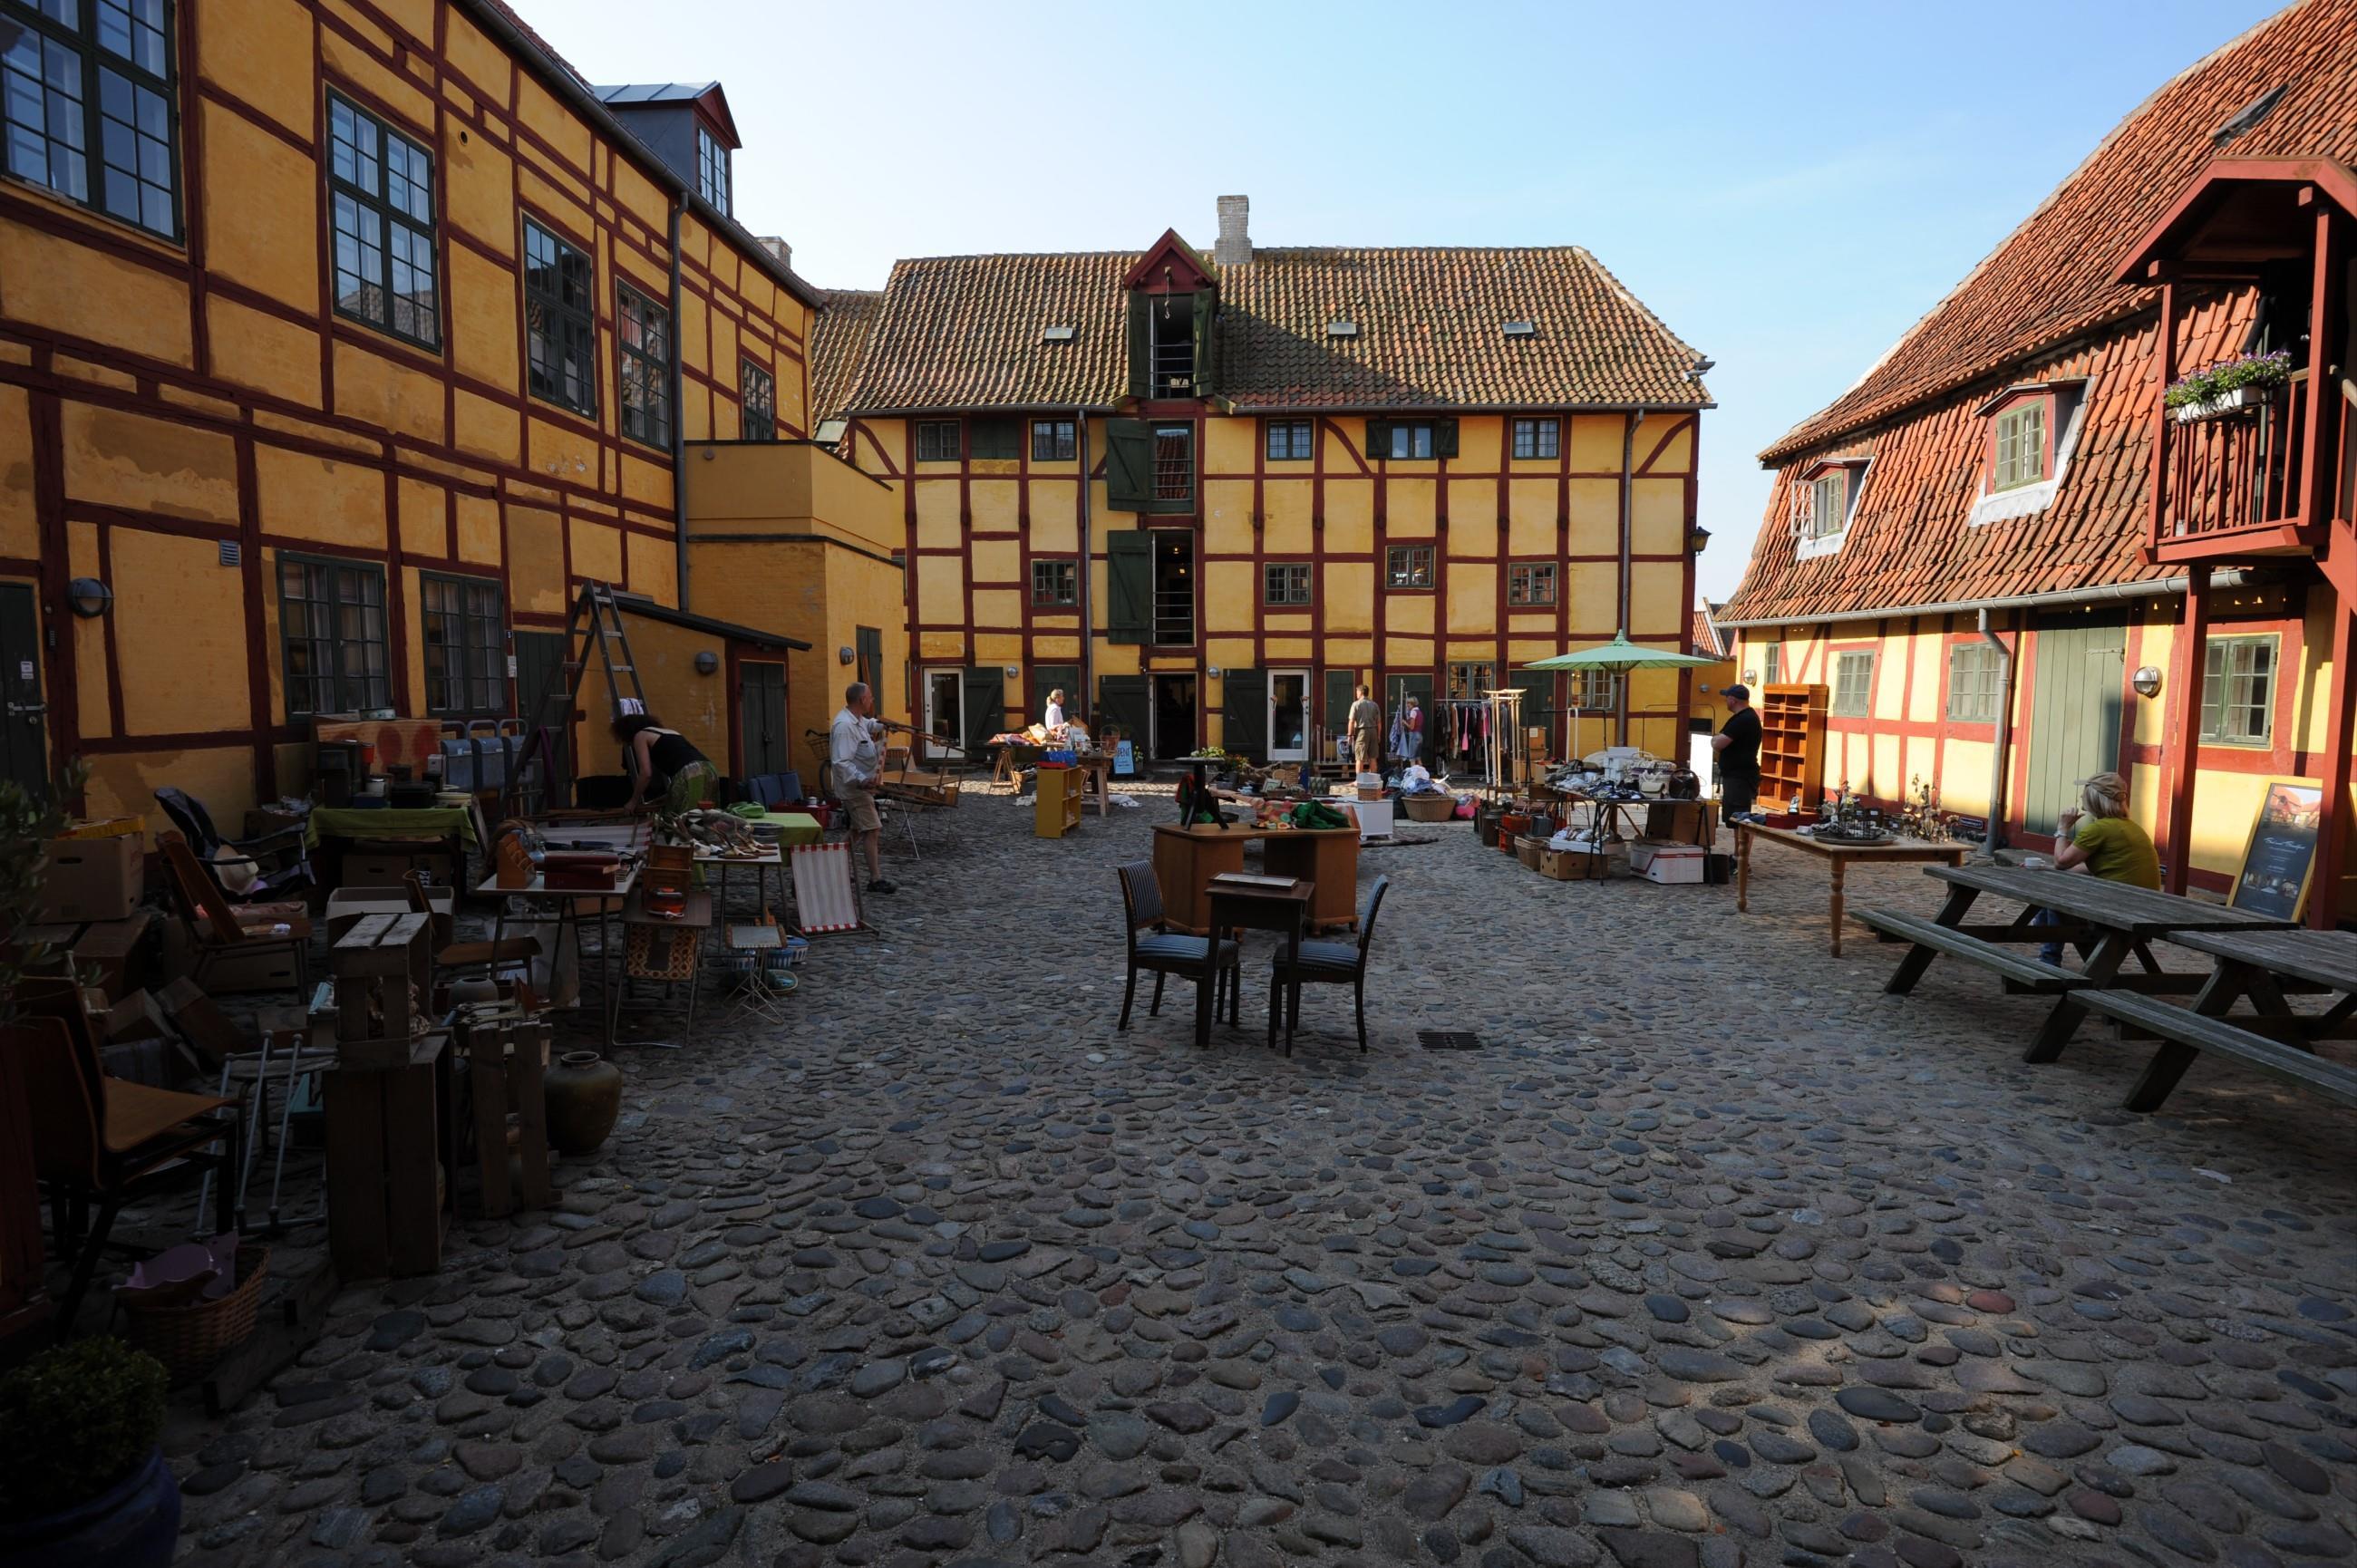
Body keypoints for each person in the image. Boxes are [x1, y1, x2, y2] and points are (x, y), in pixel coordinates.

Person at [2032, 771, 2159, 965]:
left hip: (2121, 906)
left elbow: (2061, 862)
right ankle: (2041, 928)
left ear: (2094, 798)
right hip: (2143, 904)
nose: (2081, 796)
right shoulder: (2131, 827)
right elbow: (2092, 868)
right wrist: (2050, 870)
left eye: (2085, 792)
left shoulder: (2099, 829)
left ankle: (2049, 958)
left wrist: (2062, 829)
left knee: (2056, 898)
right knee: (2057, 890)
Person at [829, 682, 896, 895]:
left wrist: (885, 725)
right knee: (872, 828)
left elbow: (868, 725)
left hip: (860, 785)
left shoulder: (856, 719)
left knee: (858, 829)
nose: (872, 700)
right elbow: (841, 762)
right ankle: (875, 879)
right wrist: (861, 779)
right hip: (854, 788)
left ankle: (833, 866)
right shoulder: (844, 726)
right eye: (870, 697)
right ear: (861, 700)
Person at [615, 714, 713, 812]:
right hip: (709, 769)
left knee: (684, 816)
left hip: (688, 772)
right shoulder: (670, 732)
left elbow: (646, 774)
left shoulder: (640, 735)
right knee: (704, 814)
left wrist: (633, 801)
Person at [1711, 683, 1761, 820]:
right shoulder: (1744, 717)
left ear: (1733, 700)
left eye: (1727, 698)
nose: (1725, 701)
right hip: (1737, 775)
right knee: (1734, 817)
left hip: (1739, 777)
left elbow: (1718, 743)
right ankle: (1738, 836)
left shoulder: (1744, 719)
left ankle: (1740, 836)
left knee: (1739, 817)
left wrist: (1715, 739)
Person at [1345, 684, 1382, 774]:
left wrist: (1349, 735)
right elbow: (1379, 722)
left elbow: (1351, 721)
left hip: (1362, 732)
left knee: (1360, 757)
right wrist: (1378, 735)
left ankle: (1359, 779)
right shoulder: (1375, 705)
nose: (1356, 693)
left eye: (1357, 691)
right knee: (1373, 757)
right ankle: (1373, 779)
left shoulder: (1356, 704)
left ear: (1361, 692)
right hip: (1373, 731)